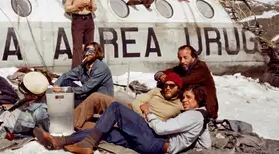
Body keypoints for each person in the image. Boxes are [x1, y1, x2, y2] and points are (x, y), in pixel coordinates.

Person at [34, 85, 211, 154]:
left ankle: (87, 144)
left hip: (156, 141)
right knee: (108, 131)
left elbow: (161, 130)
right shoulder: (201, 118)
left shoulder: (193, 115)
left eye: (189, 98)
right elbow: (206, 144)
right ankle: (59, 141)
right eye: (185, 97)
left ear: (199, 100)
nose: (184, 100)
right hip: (155, 147)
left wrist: (149, 113)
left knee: (116, 108)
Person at [73, 72, 184, 131]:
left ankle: (76, 126)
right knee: (96, 97)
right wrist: (143, 113)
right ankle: (71, 124)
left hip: (140, 124)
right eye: (166, 85)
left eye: (172, 85)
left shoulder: (180, 106)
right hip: (131, 109)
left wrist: (146, 113)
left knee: (102, 126)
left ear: (178, 88)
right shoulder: (157, 91)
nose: (167, 88)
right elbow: (137, 102)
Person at [154, 45, 219, 119]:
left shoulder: (201, 68)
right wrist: (161, 76)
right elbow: (160, 73)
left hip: (205, 109)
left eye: (185, 58)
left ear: (193, 57)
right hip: (190, 106)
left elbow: (182, 81)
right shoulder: (183, 67)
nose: (182, 61)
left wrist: (166, 80)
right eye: (180, 58)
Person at [53, 42, 113, 107]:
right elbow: (66, 75)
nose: (87, 53)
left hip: (100, 101)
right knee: (65, 82)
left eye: (91, 51)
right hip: (88, 95)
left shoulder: (100, 67)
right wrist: (56, 85)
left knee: (69, 104)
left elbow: (85, 88)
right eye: (86, 50)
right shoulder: (84, 66)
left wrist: (65, 90)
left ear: (97, 53)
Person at [64, 0, 97, 69]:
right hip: (78, 20)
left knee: (90, 46)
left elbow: (95, 7)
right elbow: (67, 7)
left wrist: (90, 6)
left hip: (89, 19)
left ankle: (88, 67)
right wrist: (76, 6)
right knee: (77, 47)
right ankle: (76, 69)